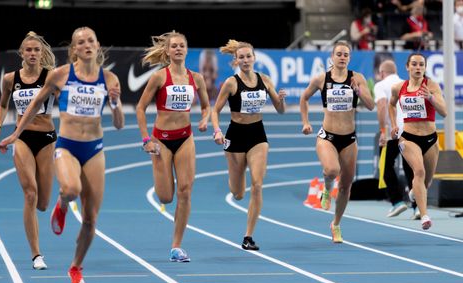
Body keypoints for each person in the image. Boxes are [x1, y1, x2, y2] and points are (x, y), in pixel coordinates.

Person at [0, 26, 125, 283]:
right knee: (68, 188)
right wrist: (13, 133)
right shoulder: (59, 76)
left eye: (91, 40)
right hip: (65, 145)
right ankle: (62, 205)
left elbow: (120, 124)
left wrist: (115, 103)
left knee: (90, 219)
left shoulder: (110, 79)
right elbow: (32, 105)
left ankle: (75, 267)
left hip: (93, 149)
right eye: (81, 42)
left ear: (97, 45)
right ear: (73, 49)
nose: (86, 45)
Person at [135, 31, 210, 262]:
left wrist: (205, 118)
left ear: (187, 50)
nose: (178, 49)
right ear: (167, 51)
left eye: (182, 46)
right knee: (166, 197)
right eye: (174, 46)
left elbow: (207, 106)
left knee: (185, 191)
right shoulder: (159, 77)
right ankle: (161, 175)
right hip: (161, 141)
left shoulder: (196, 78)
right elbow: (140, 108)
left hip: (185, 138)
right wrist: (146, 139)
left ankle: (176, 246)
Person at [210, 40, 286, 250]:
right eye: (241, 57)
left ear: (254, 58)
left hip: (257, 135)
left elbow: (280, 111)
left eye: (248, 56)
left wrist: (280, 100)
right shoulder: (231, 83)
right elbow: (215, 110)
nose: (245, 60)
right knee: (238, 193)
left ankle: (248, 236)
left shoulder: (265, 79)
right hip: (235, 136)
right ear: (236, 60)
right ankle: (235, 173)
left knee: (258, 185)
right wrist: (217, 131)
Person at [0, 31, 57, 271]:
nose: (32, 53)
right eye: (28, 50)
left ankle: (53, 205)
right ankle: (36, 255)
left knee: (42, 203)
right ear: (21, 53)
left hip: (47, 138)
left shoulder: (51, 77)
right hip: (22, 139)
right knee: (30, 194)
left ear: (41, 53)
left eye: (36, 50)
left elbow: (68, 100)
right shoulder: (10, 79)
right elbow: (2, 103)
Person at [299, 40, 375, 243]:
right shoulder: (321, 79)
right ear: (332, 57)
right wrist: (305, 122)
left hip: (349, 139)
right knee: (332, 170)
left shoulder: (357, 78)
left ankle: (336, 224)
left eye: (346, 54)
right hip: (328, 137)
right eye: (339, 54)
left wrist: (358, 91)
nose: (342, 57)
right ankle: (326, 187)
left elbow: (370, 105)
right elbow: (304, 98)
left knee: (346, 185)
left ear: (349, 58)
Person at [389, 53, 447, 230]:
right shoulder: (398, 88)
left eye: (421, 64)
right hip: (408, 137)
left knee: (426, 181)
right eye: (414, 64)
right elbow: (391, 105)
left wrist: (431, 97)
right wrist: (393, 125)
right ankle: (424, 215)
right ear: (407, 67)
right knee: (419, 172)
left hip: (430, 139)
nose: (418, 68)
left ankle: (414, 191)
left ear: (425, 67)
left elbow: (444, 112)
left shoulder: (431, 85)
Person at [374, 59, 411, 217]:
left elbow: (382, 106)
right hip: (409, 130)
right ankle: (417, 206)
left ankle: (397, 201)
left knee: (386, 166)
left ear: (382, 73)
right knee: (410, 167)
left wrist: (383, 131)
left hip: (392, 132)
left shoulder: (380, 85)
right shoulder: (406, 83)